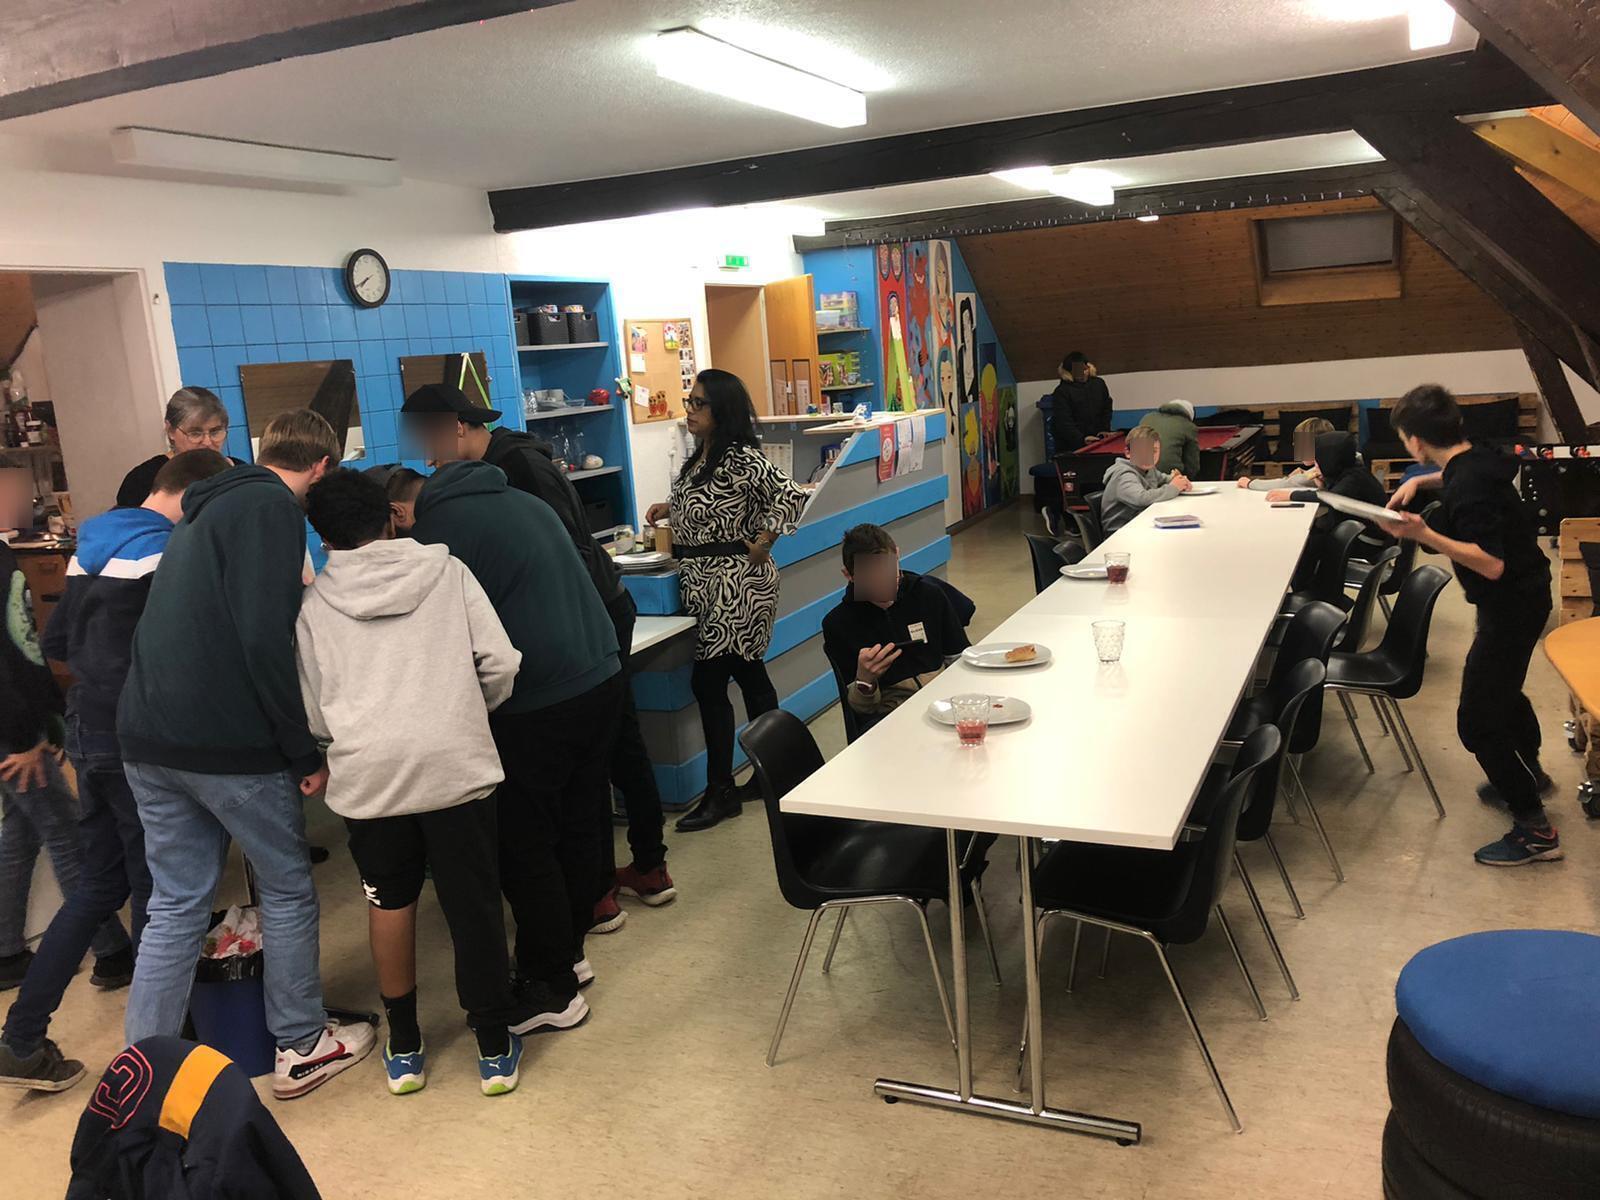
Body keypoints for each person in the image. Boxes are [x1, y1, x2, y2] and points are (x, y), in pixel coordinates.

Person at [116, 409, 376, 1101]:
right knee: (286, 887)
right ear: (321, 467)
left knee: (176, 904)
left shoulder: (204, 511)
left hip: (147, 734)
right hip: (226, 741)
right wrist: (301, 751)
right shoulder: (270, 509)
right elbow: (264, 639)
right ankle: (301, 1044)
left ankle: (141, 1079)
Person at [299, 469, 539, 1097]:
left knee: (389, 901)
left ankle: (405, 1047)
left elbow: (315, 711)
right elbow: (500, 662)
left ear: (323, 537)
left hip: (370, 776)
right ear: (389, 516)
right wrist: (462, 710)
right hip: (454, 763)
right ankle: (493, 1046)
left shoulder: (314, 606)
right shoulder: (447, 572)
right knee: (473, 903)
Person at [399, 386, 673, 930]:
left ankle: (619, 881)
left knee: (601, 758)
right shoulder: (509, 463)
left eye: (428, 440)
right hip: (582, 616)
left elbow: (565, 552)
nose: (427, 457)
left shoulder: (516, 470)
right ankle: (621, 878)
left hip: (588, 613)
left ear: (456, 427)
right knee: (605, 752)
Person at [0, 450, 230, 1093]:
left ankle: (21, 1038)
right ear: (194, 496)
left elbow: (55, 644)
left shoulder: (92, 541)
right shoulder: (168, 551)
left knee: (98, 886)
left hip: (86, 729)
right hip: (138, 736)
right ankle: (165, 1054)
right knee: (162, 892)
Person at [407, 458, 622, 1025]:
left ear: (403, 512)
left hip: (537, 697)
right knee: (579, 826)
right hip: (600, 676)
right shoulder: (527, 503)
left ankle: (550, 988)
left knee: (526, 843)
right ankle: (568, 954)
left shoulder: (438, 534)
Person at [1385, 384, 1557, 868]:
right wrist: (1422, 482)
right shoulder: (1476, 457)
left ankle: (1535, 830)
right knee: (1504, 690)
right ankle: (1531, 773)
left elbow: (1491, 563)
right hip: (1524, 596)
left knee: (1478, 722)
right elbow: (1459, 474)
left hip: (1509, 603)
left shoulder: (1467, 487)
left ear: (1416, 440)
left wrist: (1424, 533)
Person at [642, 369, 808, 833]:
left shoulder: (740, 456)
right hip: (706, 581)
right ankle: (776, 770)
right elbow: (714, 503)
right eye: (689, 401)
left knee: (709, 682)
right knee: (749, 674)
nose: (690, 410)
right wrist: (671, 508)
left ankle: (721, 792)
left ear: (723, 409)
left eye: (699, 403)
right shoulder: (703, 455)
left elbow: (790, 495)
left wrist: (766, 541)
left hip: (735, 583)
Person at [0, 545, 131, 1090]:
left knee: (33, 841)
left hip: (56, 725)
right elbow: (16, 648)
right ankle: (117, 959)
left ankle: (14, 986)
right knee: (85, 853)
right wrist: (25, 735)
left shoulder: (20, 555)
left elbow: (43, 645)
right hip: (30, 733)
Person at [822, 525, 971, 733]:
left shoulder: (928, 595)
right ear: (849, 575)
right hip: (894, 719)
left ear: (897, 555)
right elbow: (861, 711)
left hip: (946, 705)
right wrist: (865, 680)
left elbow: (959, 659)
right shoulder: (839, 623)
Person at [114, 388, 240, 509]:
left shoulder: (239, 471)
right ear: (170, 430)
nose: (207, 442)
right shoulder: (142, 480)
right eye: (195, 433)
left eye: (215, 432)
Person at [1098, 425, 1192, 535]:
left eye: (1154, 451)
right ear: (1128, 453)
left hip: (1144, 524)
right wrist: (1174, 487)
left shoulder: (1148, 469)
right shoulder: (1123, 474)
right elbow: (1141, 499)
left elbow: (1165, 479)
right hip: (1121, 533)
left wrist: (1180, 480)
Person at [1237, 416, 1335, 490]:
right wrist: (1304, 473)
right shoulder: (1328, 463)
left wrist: (1250, 483)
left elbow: (1285, 484)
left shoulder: (1324, 471)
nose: (1294, 445)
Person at [1048, 352, 1113, 455]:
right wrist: (1081, 439)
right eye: (1077, 371)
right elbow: (1064, 422)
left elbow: (1106, 409)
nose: (1083, 373)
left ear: (1088, 367)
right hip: (1070, 446)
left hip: (1097, 440)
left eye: (1084, 369)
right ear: (1069, 372)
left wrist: (1104, 430)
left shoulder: (1099, 384)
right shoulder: (1061, 391)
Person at [1139, 399, 1200, 478]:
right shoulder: (1188, 426)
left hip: (1138, 474)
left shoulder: (1146, 418)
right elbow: (1192, 466)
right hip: (1168, 476)